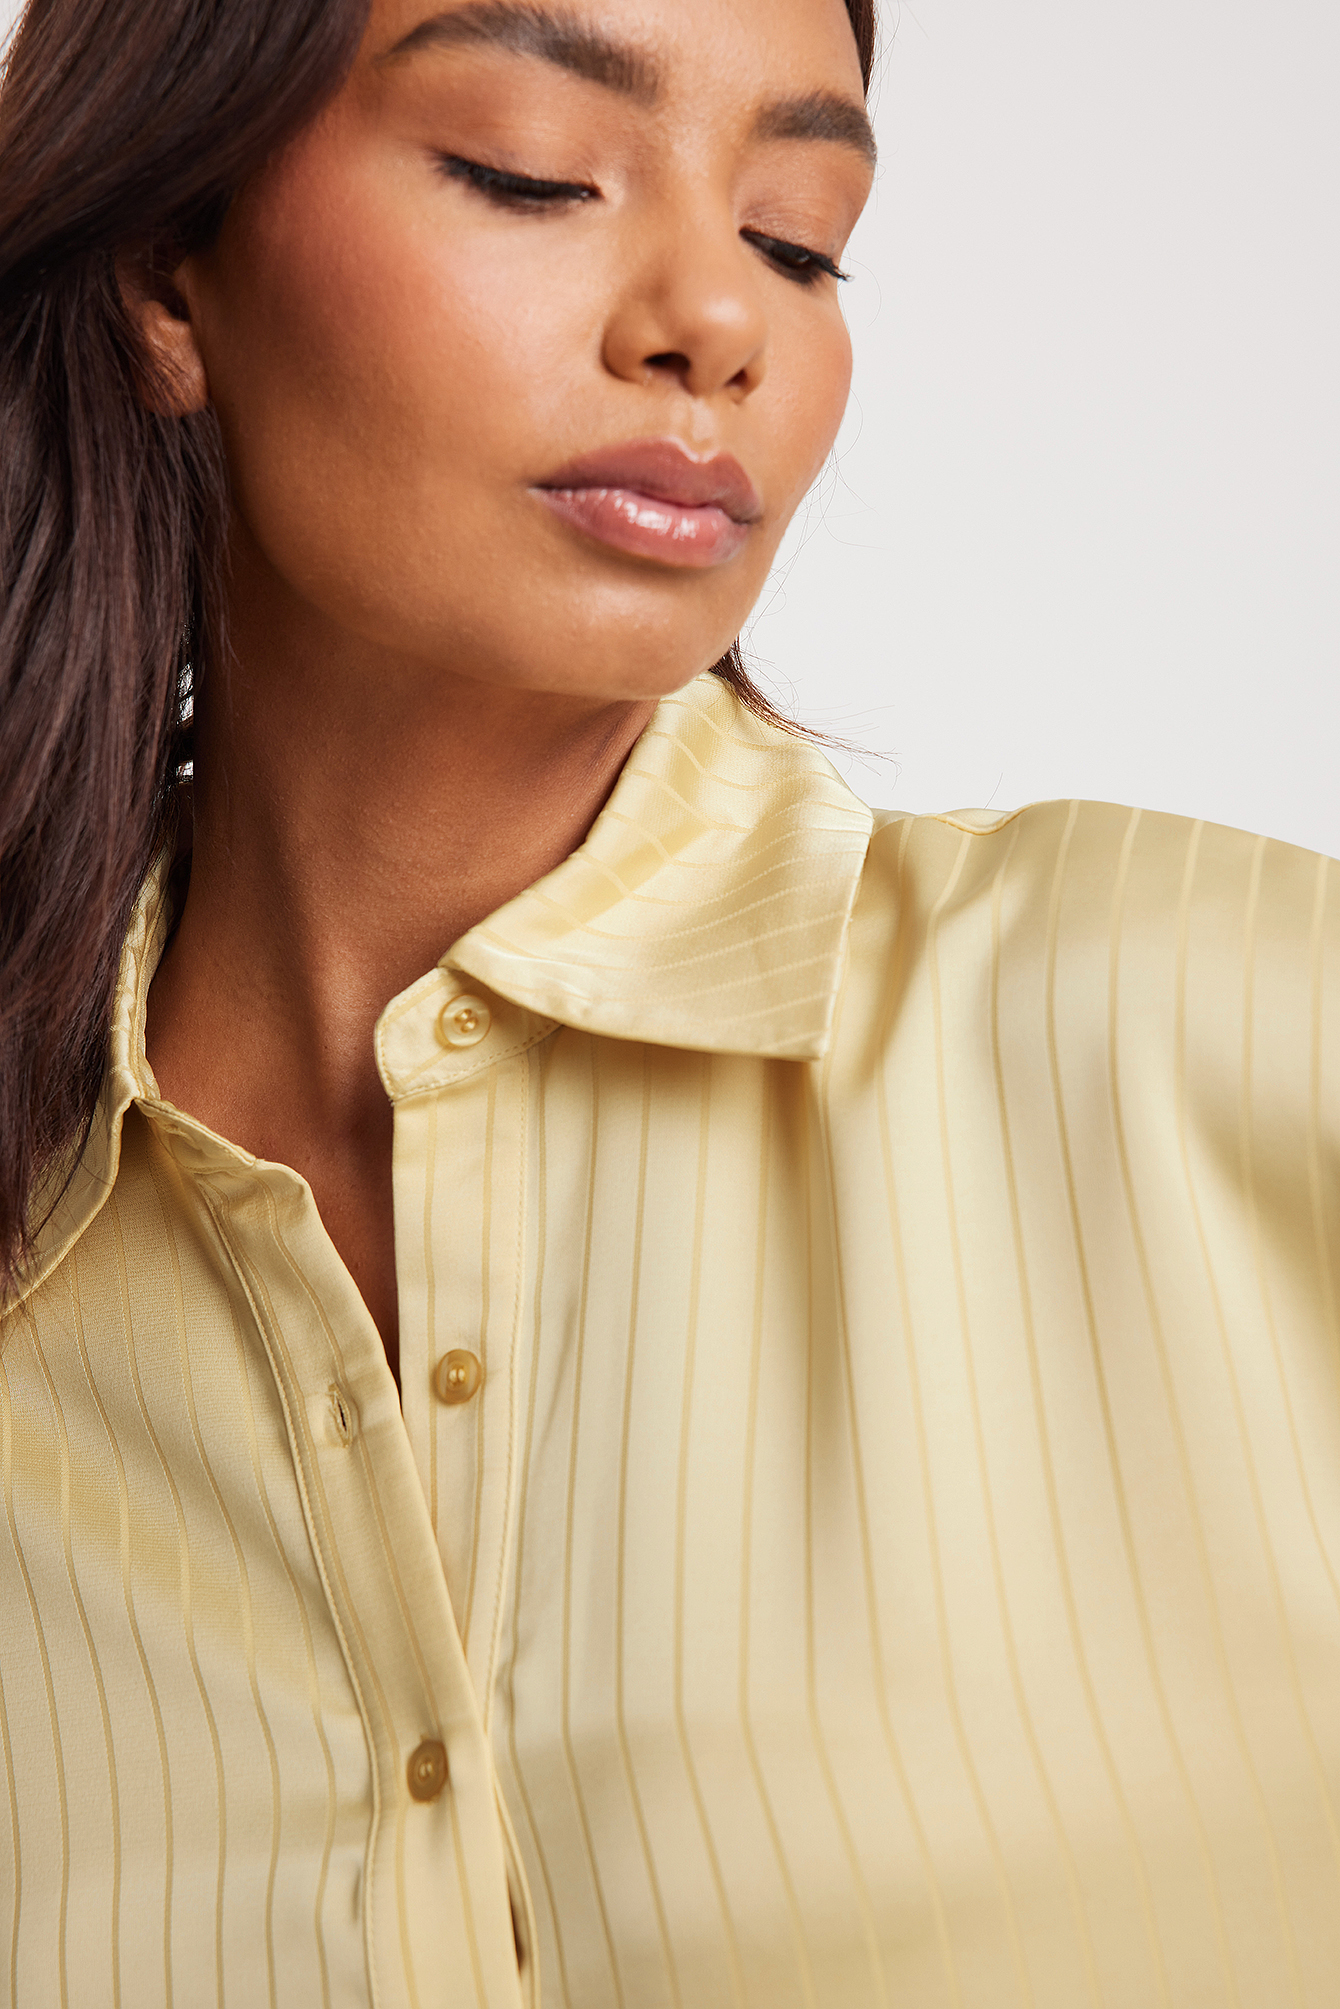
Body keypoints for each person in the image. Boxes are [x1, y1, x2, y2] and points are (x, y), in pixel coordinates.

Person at [1, 0, 1336, 2003]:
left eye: (799, 239)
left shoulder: (1214, 1033)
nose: (718, 319)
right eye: (533, 173)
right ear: (165, 272)